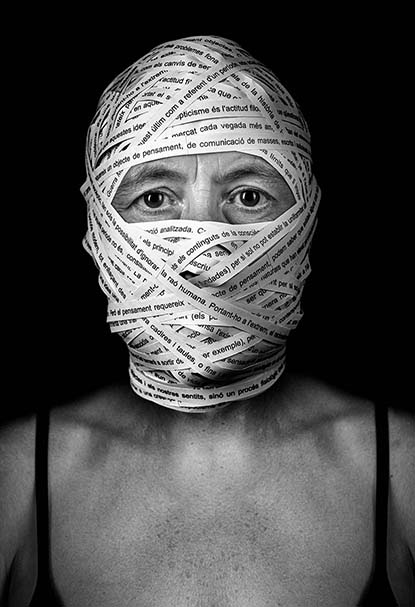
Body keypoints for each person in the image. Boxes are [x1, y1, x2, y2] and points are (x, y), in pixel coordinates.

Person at [1, 35, 414, 607]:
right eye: (155, 199)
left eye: (248, 197)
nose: (205, 255)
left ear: (305, 226)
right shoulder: (17, 473)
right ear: (99, 231)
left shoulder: (401, 466)